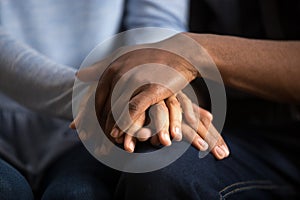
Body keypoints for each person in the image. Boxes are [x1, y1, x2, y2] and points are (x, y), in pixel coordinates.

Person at [77, 0, 300, 199]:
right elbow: (162, 40)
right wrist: (163, 101)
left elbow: (175, 53)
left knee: (162, 176)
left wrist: (196, 52)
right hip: (229, 126)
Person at [0, 0, 194, 199]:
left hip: (91, 136)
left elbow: (157, 22)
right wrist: (104, 97)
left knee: (78, 195)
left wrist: (152, 87)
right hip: (95, 114)